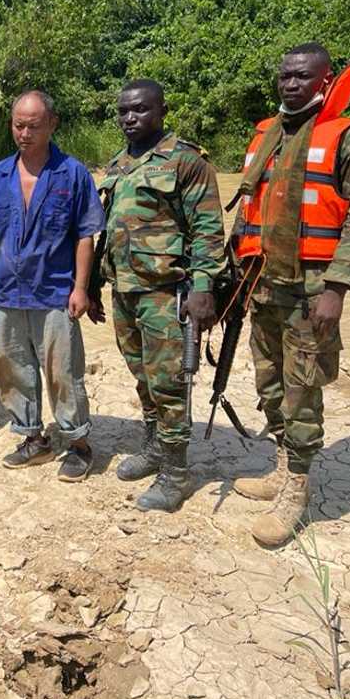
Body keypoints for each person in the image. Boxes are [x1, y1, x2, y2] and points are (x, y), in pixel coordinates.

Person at [230, 43, 350, 546]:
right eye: (285, 76)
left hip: (313, 287)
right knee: (268, 379)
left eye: (302, 77)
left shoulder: (348, 139)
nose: (290, 84)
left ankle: (297, 486)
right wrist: (234, 270)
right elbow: (249, 205)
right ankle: (279, 464)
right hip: (264, 283)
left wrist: (338, 287)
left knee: (301, 386)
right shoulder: (267, 134)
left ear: (325, 79)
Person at [88, 79, 225, 512]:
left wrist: (204, 288)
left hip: (167, 292)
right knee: (142, 375)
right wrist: (93, 282)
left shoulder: (186, 161)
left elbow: (207, 230)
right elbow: (106, 230)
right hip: (125, 289)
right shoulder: (117, 164)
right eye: (124, 111)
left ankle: (176, 473)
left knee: (168, 384)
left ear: (162, 111)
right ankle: (151, 447)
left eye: (141, 110)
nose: (131, 118)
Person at [0, 90, 105, 482]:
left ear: (52, 125)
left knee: (63, 372)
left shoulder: (73, 173)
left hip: (55, 291)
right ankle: (32, 438)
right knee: (12, 369)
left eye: (33, 125)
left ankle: (77, 443)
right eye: (18, 125)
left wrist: (81, 288)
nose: (24, 133)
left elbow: (85, 235)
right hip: (7, 290)